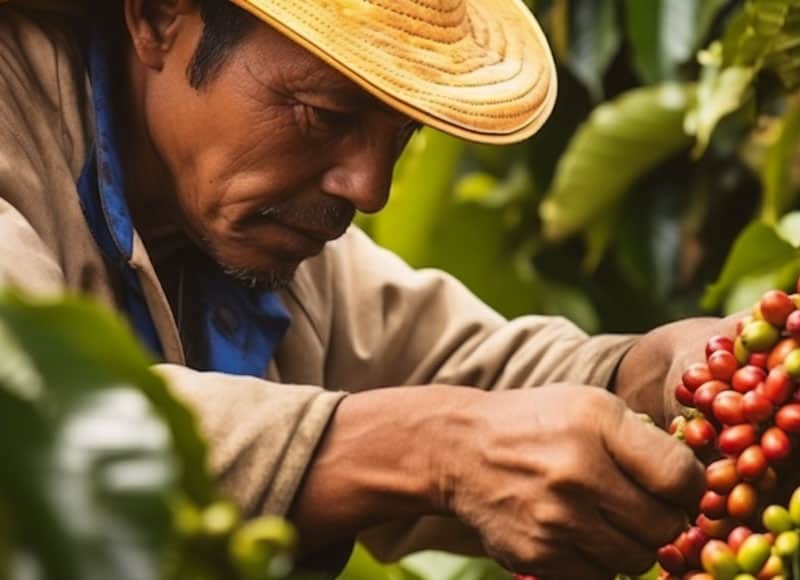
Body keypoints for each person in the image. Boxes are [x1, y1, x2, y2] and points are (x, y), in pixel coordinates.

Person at [0, 0, 732, 577]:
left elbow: (476, 375)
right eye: (326, 114)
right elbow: (34, 421)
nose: (370, 189)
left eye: (401, 133)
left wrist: (667, 374)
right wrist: (433, 450)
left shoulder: (253, 226)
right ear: (160, 17)